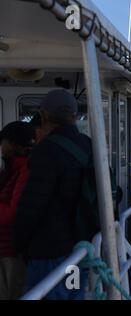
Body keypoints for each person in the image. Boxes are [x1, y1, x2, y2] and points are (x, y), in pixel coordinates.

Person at [13, 90, 91, 300]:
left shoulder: (46, 151)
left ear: (44, 115)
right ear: (74, 116)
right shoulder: (88, 145)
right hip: (79, 251)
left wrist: (17, 244)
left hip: (49, 252)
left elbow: (32, 205)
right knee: (73, 293)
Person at [0, 122, 35, 300]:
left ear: (14, 144)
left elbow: (14, 213)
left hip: (12, 254)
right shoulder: (11, 170)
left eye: (3, 141)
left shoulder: (24, 170)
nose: (1, 147)